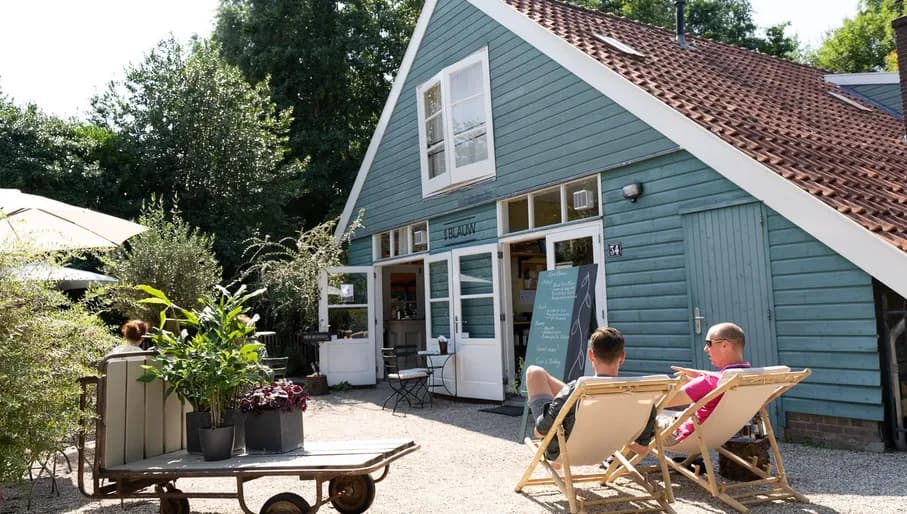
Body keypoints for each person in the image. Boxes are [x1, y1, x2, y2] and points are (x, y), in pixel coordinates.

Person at [526, 327, 655, 463]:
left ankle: (557, 463)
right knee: (572, 398)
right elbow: (642, 449)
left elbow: (539, 432)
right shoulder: (642, 393)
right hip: (606, 450)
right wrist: (622, 439)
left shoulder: (574, 389)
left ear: (591, 355)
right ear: (622, 357)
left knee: (534, 372)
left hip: (564, 453)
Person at [662, 322, 751, 445]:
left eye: (709, 343)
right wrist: (698, 377)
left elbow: (662, 402)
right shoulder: (749, 377)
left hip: (682, 436)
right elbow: (718, 380)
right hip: (721, 435)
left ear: (725, 345)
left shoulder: (708, 382)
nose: (705, 349)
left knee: (636, 421)